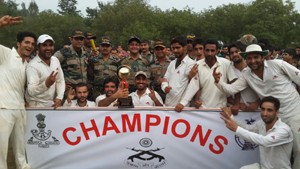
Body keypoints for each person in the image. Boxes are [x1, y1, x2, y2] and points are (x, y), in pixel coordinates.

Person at [213, 44, 300, 169]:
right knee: (275, 151)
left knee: (298, 151)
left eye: (256, 57)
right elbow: (231, 89)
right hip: (272, 116)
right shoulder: (246, 74)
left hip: (294, 111)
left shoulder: (278, 64)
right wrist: (218, 81)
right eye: (249, 58)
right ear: (246, 59)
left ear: (263, 57)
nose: (253, 61)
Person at [0, 15, 35, 169]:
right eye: (27, 42)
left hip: (20, 109)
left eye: (32, 44)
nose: (30, 46)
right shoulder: (6, 54)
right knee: (1, 150)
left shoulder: (27, 63)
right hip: (4, 108)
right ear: (18, 44)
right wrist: (0, 24)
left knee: (21, 151)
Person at [220, 96, 293, 169]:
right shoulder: (261, 124)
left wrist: (236, 129)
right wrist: (230, 118)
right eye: (263, 109)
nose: (265, 113)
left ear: (277, 112)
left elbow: (265, 141)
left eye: (269, 110)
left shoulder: (284, 130)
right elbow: (247, 129)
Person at [175, 39, 237, 112]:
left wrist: (236, 104)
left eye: (212, 51)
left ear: (217, 51)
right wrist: (183, 103)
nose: (209, 53)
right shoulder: (198, 65)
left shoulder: (226, 63)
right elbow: (194, 85)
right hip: (203, 109)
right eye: (207, 50)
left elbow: (234, 84)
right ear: (204, 50)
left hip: (220, 109)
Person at [25, 34, 65, 108]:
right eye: (44, 45)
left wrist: (59, 97)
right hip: (35, 105)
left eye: (50, 45)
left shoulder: (55, 60)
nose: (48, 48)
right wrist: (46, 84)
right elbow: (31, 91)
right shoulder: (32, 66)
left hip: (51, 103)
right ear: (38, 47)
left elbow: (60, 80)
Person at [161, 36, 195, 107]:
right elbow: (165, 79)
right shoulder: (172, 63)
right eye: (173, 48)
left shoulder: (191, 64)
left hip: (182, 107)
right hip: (168, 104)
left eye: (178, 48)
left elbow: (192, 86)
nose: (175, 50)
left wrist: (183, 103)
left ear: (185, 48)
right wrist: (165, 87)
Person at [227, 42, 259, 113]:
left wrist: (257, 103)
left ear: (243, 53)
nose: (234, 54)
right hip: (236, 110)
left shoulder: (252, 67)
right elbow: (226, 92)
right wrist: (237, 104)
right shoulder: (227, 68)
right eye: (231, 53)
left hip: (256, 110)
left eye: (237, 51)